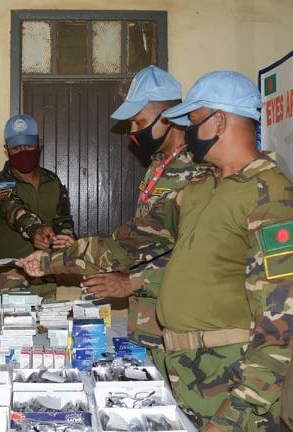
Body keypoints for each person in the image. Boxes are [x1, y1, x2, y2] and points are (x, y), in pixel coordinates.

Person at [18, 71, 293, 431]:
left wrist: (239, 412)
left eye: (194, 120)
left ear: (219, 121)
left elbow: (277, 321)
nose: (187, 131)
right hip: (182, 366)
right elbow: (126, 245)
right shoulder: (198, 190)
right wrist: (49, 261)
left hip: (228, 377)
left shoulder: (274, 197)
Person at [78, 65, 207, 371]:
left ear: (168, 118)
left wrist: (133, 281)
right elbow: (147, 239)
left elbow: (200, 255)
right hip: (148, 320)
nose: (134, 132)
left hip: (182, 324)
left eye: (140, 122)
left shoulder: (198, 171)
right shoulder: (158, 166)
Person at [0, 114, 75, 298]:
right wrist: (35, 230)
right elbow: (15, 211)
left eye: (28, 145)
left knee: (48, 317)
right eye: (16, 147)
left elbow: (63, 218)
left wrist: (65, 239)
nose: (23, 151)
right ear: (6, 149)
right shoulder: (0, 184)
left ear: (39, 144)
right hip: (9, 275)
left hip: (45, 271)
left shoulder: (52, 181)